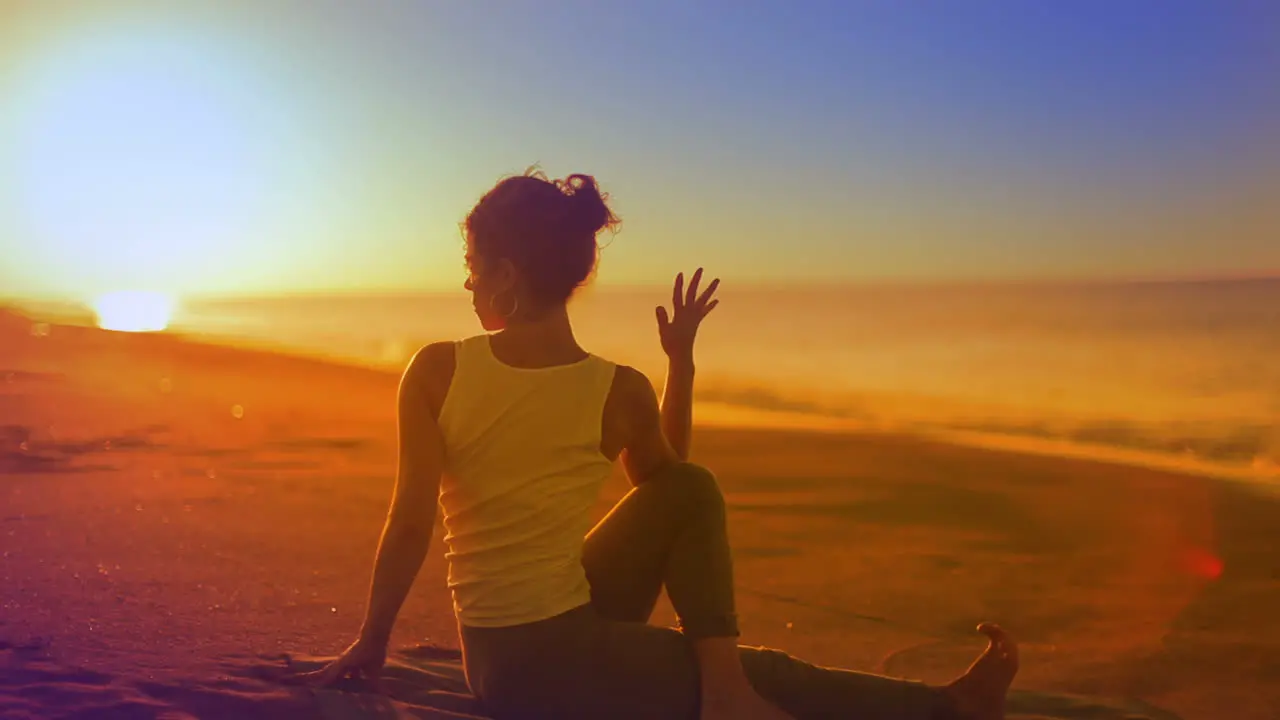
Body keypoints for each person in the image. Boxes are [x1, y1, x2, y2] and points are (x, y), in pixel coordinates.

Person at [305, 170, 1019, 719]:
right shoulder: (614, 388)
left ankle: (727, 685)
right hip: (541, 667)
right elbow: (676, 491)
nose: (466, 278)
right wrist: (677, 369)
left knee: (693, 499)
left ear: (510, 275)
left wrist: (680, 368)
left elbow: (414, 518)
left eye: (473, 261)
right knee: (752, 662)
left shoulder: (438, 370)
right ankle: (941, 708)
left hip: (507, 654)